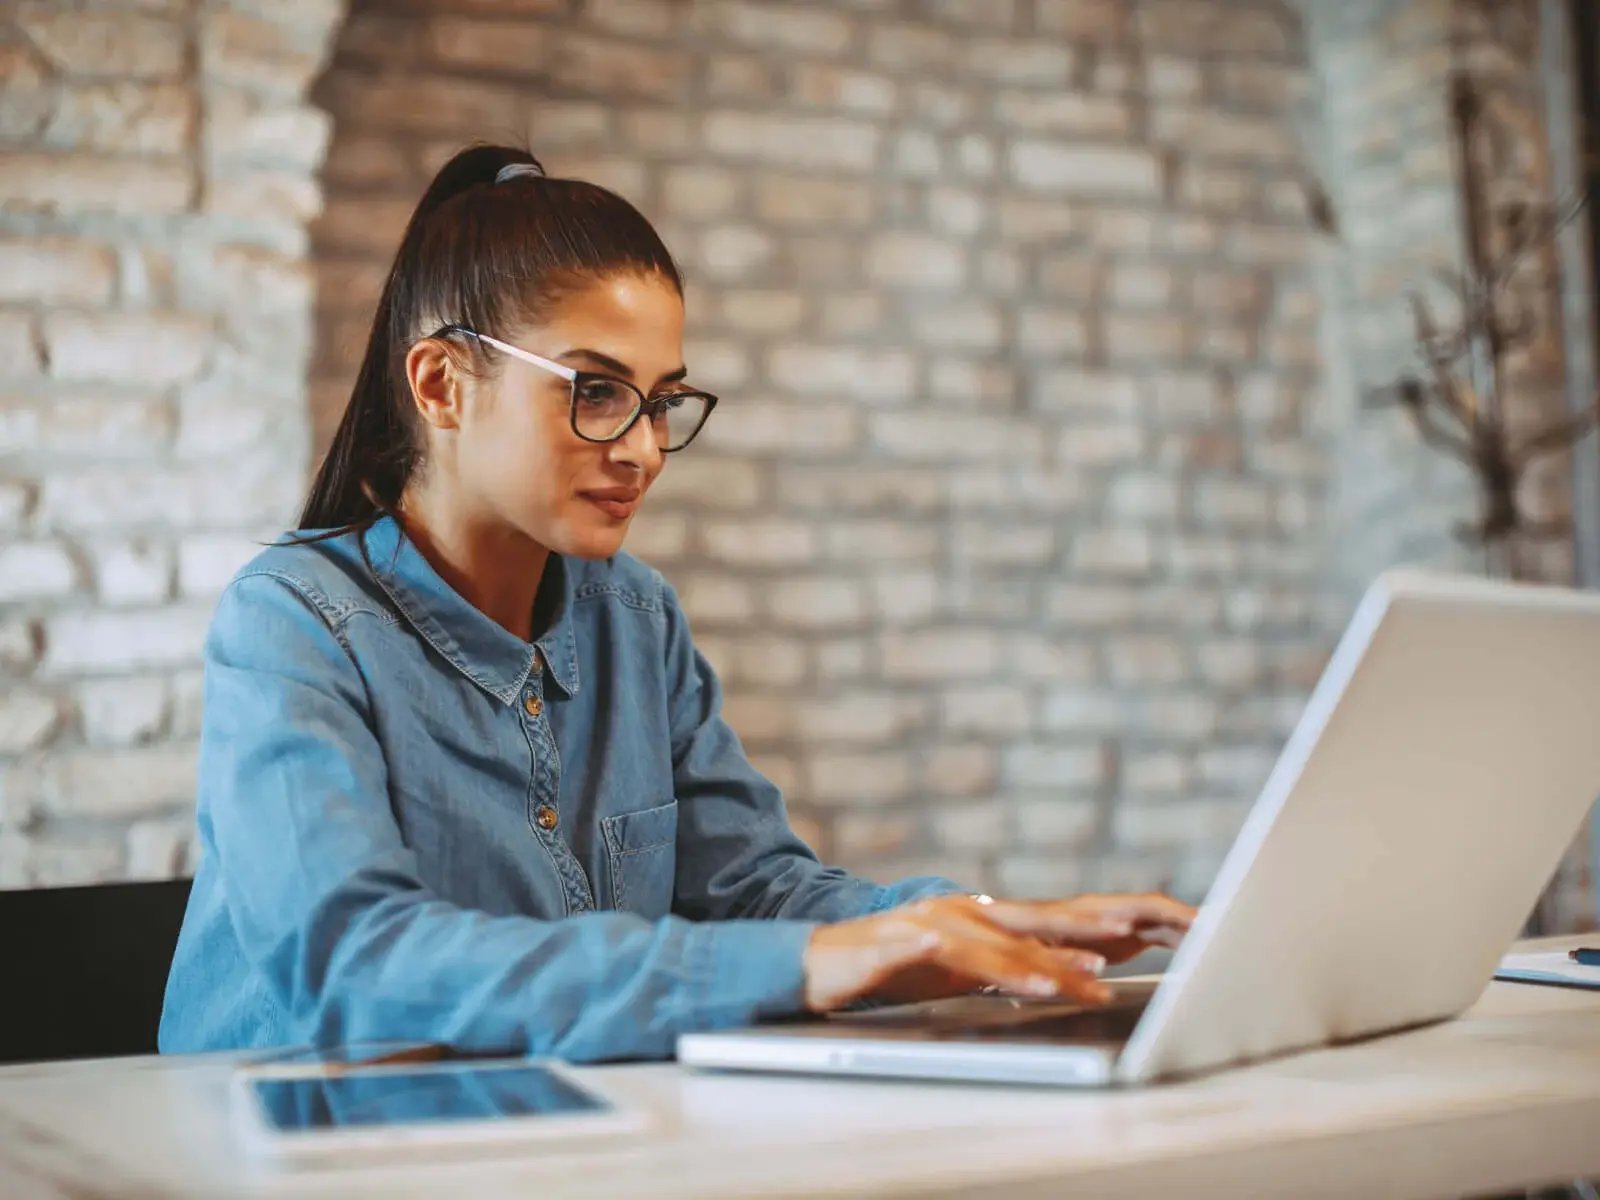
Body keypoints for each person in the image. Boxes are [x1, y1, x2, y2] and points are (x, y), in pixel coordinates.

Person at [159, 144, 1194, 1060]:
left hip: (557, 1140)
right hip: (304, 1146)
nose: (645, 448)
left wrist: (969, 923)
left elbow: (752, 890)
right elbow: (352, 961)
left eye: (661, 401)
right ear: (439, 385)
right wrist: (808, 966)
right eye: (596, 391)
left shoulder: (631, 617)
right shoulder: (292, 621)